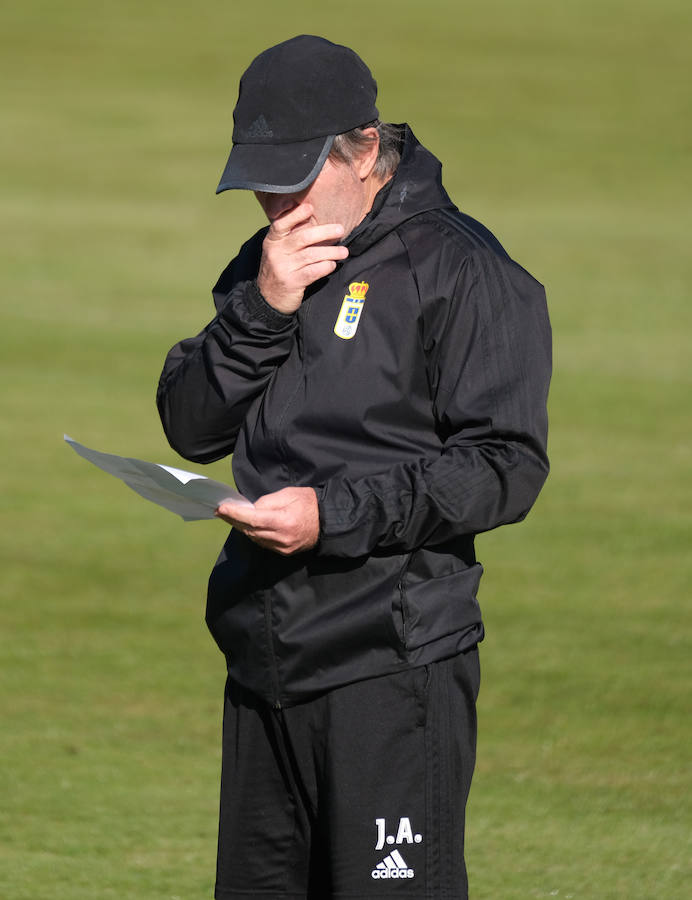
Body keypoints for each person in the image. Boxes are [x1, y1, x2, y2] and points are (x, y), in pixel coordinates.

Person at [157, 34, 551, 900]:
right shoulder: (270, 264)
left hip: (390, 664)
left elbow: (503, 466)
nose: (275, 201)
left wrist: (331, 515)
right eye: (261, 178)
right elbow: (189, 424)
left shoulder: (467, 271)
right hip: (262, 663)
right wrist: (262, 309)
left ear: (366, 149)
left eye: (294, 175)